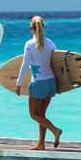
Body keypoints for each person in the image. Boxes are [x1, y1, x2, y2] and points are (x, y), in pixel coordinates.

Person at [16, 16, 62, 150]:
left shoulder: (29, 44)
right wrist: (60, 85)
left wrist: (18, 83)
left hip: (38, 84)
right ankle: (41, 144)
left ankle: (55, 130)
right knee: (41, 114)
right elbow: (57, 63)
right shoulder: (50, 43)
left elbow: (25, 65)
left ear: (31, 28)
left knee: (34, 114)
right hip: (51, 82)